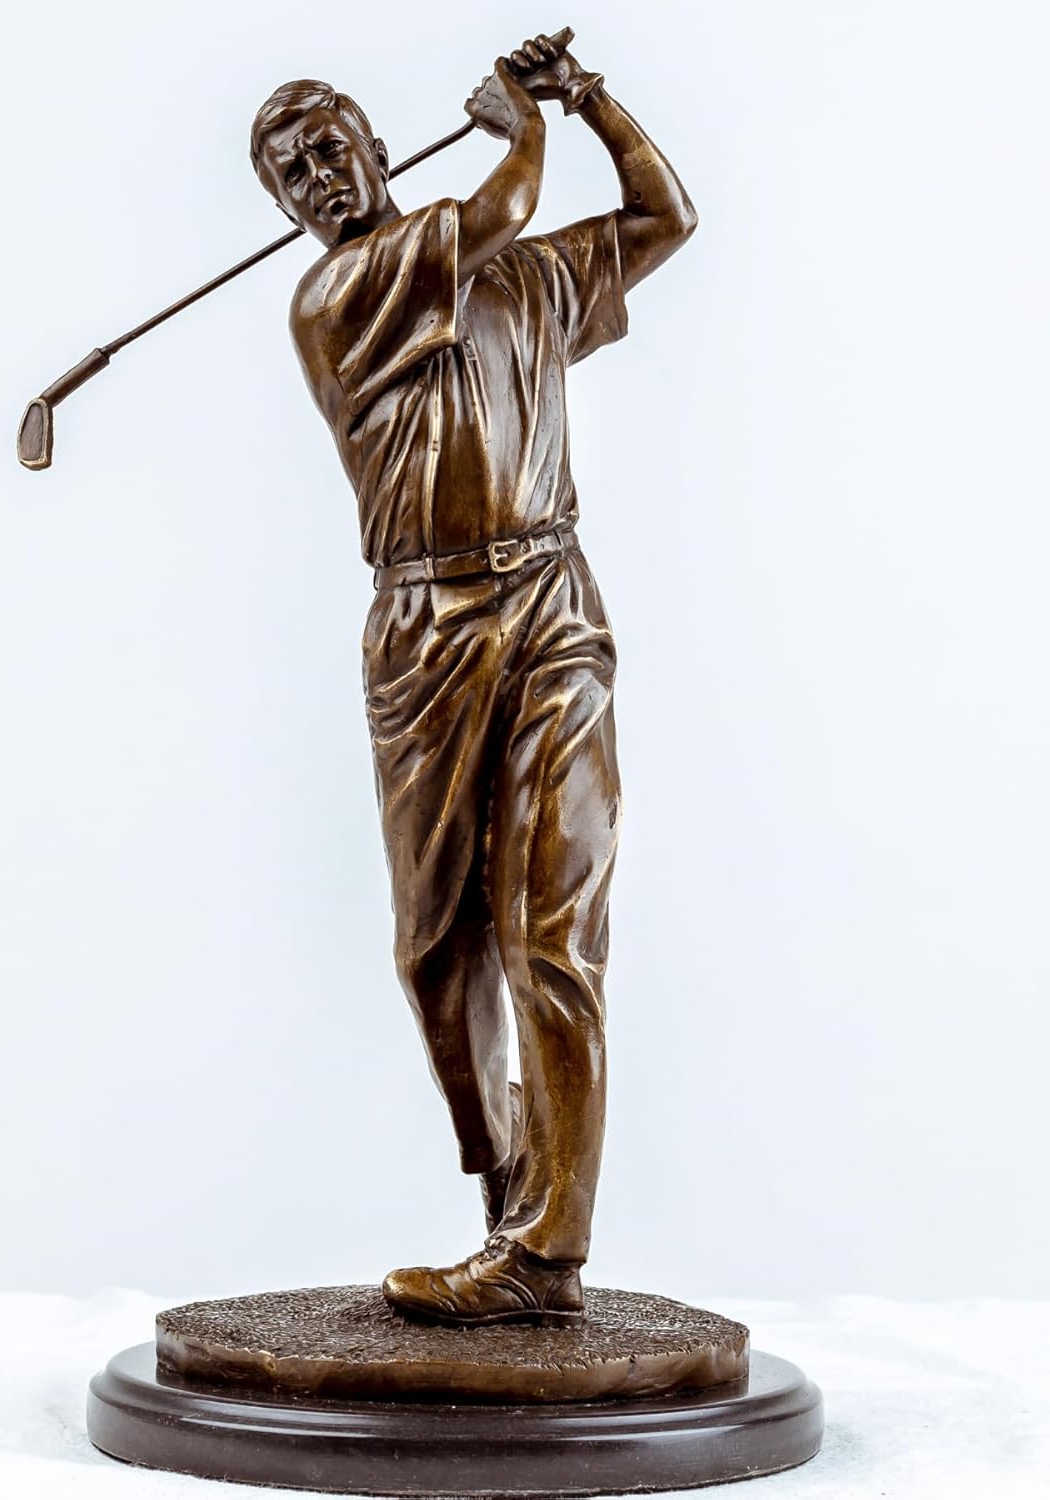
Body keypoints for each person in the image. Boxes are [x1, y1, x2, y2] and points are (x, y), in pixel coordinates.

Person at [250, 33, 696, 1327]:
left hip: (552, 603)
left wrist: (589, 99)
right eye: (290, 176)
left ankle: (547, 1253)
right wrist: (520, 123)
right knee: (440, 954)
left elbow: (665, 217)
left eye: (328, 148)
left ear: (375, 146)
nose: (318, 179)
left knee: (550, 925)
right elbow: (502, 202)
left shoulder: (527, 280)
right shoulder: (339, 295)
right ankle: (509, 1178)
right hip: (427, 634)